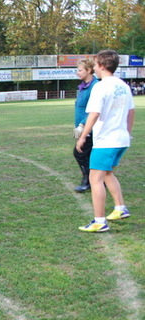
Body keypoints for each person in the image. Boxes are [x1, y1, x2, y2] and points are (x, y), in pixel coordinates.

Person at [76, 50, 135, 233]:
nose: (93, 68)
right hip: (121, 139)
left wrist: (83, 135)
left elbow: (94, 114)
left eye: (94, 65)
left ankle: (99, 221)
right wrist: (127, 132)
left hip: (106, 140)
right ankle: (119, 208)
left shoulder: (100, 87)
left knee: (95, 179)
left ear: (101, 66)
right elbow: (131, 111)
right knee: (107, 173)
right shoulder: (123, 85)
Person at [72, 58, 99, 193]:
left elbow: (94, 110)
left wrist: (82, 125)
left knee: (80, 153)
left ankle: (89, 180)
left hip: (91, 127)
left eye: (80, 70)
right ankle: (97, 180)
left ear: (89, 70)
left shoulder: (95, 86)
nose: (77, 73)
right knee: (87, 154)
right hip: (84, 126)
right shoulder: (84, 86)